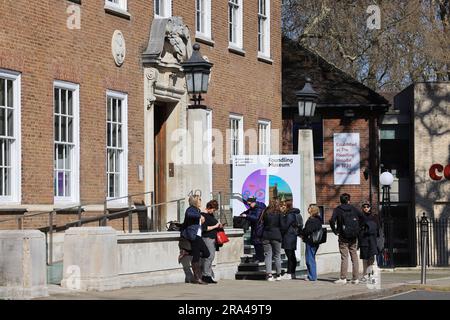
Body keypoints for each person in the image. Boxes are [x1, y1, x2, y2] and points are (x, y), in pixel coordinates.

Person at [329, 193, 364, 284]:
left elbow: (332, 220)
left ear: (340, 201)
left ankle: (343, 278)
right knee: (354, 256)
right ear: (349, 200)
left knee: (344, 257)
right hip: (353, 236)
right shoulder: (354, 209)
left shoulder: (338, 209)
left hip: (343, 236)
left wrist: (335, 231)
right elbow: (362, 217)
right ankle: (355, 278)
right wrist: (358, 229)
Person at [180, 194, 210, 285]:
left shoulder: (197, 210)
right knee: (196, 256)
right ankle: (197, 278)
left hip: (198, 236)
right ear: (195, 201)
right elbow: (189, 214)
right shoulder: (191, 209)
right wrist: (199, 216)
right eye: (199, 199)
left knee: (206, 253)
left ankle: (187, 252)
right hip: (193, 236)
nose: (201, 201)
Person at [201, 200, 222, 284]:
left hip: (213, 238)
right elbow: (205, 228)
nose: (214, 211)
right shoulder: (203, 215)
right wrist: (215, 226)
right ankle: (205, 275)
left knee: (211, 257)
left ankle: (208, 275)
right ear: (209, 208)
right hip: (207, 238)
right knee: (209, 256)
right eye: (213, 209)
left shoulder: (210, 215)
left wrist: (219, 226)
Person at [280, 198, 302, 279]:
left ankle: (290, 273)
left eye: (284, 205)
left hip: (288, 237)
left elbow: (285, 226)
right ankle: (292, 273)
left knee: (290, 256)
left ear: (287, 206)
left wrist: (282, 216)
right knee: (292, 255)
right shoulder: (294, 213)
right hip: (292, 236)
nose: (283, 207)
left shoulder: (289, 215)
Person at [300, 204, 323, 281]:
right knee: (311, 258)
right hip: (315, 241)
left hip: (310, 241)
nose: (308, 209)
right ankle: (312, 275)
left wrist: (301, 233)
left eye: (309, 208)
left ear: (312, 210)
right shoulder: (318, 219)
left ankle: (312, 276)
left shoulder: (312, 220)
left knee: (309, 259)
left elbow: (308, 230)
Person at [359, 201, 380, 283]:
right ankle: (365, 276)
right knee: (365, 259)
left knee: (372, 259)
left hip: (372, 240)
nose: (366, 208)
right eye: (364, 207)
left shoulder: (374, 217)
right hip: (364, 240)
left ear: (370, 208)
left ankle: (372, 276)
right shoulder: (360, 217)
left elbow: (378, 228)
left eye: (367, 207)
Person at [262, 199, 283, 281]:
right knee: (277, 255)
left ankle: (269, 275)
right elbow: (282, 225)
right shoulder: (279, 213)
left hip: (266, 235)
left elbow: (263, 223)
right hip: (276, 235)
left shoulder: (265, 212)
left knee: (268, 255)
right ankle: (278, 274)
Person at [240, 197, 266, 263]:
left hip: (259, 228)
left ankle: (260, 258)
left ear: (254, 202)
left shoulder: (259, 208)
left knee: (258, 244)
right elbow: (248, 211)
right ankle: (258, 257)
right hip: (255, 227)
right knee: (256, 243)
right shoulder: (253, 208)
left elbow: (256, 218)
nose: (249, 205)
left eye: (250, 204)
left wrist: (246, 216)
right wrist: (243, 214)